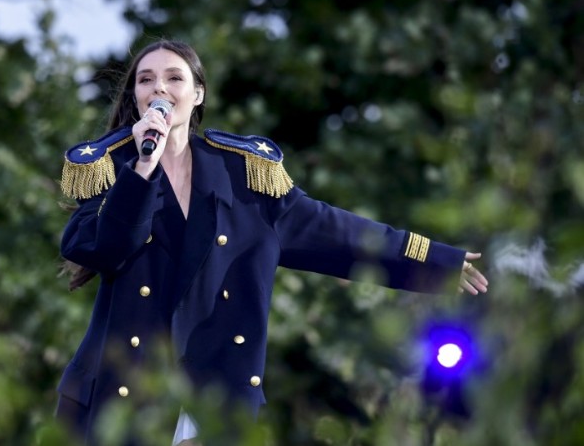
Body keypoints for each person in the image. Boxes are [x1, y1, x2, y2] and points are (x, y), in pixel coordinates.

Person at [54, 39, 489, 445]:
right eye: (145, 79)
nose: (159, 88)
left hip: (214, 402)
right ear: (135, 97)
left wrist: (435, 261)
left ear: (198, 94)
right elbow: (101, 248)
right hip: (121, 399)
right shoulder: (110, 172)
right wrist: (143, 168)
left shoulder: (246, 176)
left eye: (174, 77)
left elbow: (337, 233)